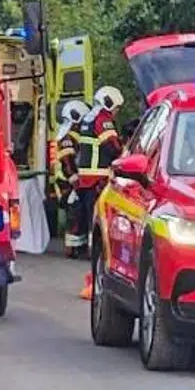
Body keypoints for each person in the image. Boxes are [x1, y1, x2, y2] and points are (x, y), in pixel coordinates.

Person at [70, 85, 125, 262]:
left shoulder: (88, 117)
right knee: (99, 216)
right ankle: (97, 252)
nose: (116, 112)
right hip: (98, 177)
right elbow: (112, 145)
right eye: (116, 108)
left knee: (89, 215)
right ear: (109, 104)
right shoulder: (102, 119)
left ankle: (90, 248)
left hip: (86, 178)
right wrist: (125, 153)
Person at [48, 99, 89, 235]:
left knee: (76, 213)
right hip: (67, 183)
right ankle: (73, 248)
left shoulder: (70, 134)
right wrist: (74, 179)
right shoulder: (67, 137)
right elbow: (68, 160)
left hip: (67, 181)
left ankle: (75, 245)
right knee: (75, 214)